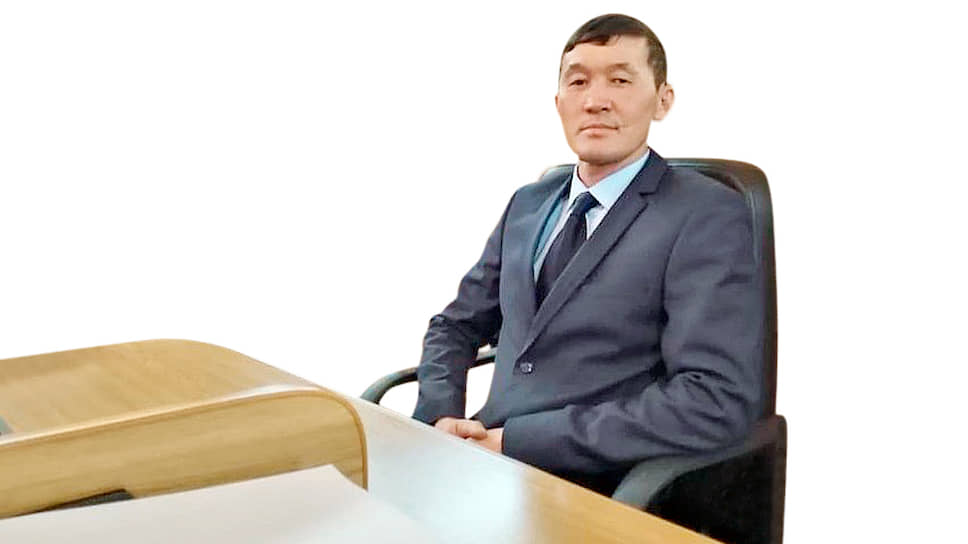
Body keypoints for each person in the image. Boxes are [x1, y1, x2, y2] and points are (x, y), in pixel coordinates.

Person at [412, 13, 764, 495]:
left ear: (663, 100)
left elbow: (712, 399)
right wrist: (440, 417)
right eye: (578, 82)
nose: (596, 100)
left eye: (620, 80)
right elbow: (454, 326)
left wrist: (515, 442)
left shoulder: (705, 213)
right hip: (483, 466)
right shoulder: (529, 204)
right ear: (558, 102)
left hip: (594, 482)